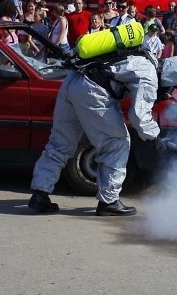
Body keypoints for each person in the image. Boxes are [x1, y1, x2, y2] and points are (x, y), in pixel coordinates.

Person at [27, 34, 164, 217]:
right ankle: (109, 201)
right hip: (91, 90)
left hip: (72, 81)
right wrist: (154, 137)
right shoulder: (149, 72)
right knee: (116, 143)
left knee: (60, 142)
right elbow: (139, 116)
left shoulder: (134, 54)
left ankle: (40, 194)